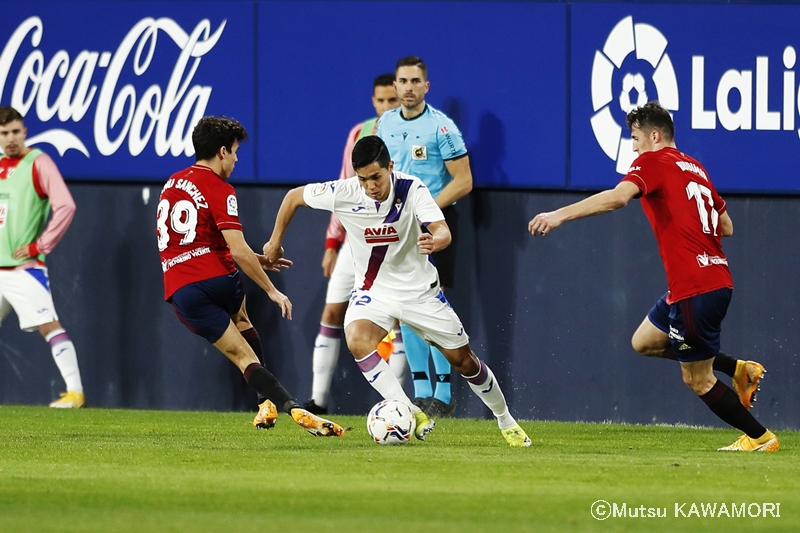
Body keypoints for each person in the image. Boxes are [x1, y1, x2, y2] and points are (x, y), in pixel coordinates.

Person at [528, 101, 778, 452]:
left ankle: (761, 438)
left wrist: (558, 215)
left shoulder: (652, 161)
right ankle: (738, 369)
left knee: (698, 379)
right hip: (715, 280)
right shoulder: (696, 168)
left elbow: (618, 198)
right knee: (645, 341)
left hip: (695, 287)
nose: (633, 146)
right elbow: (727, 226)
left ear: (655, 135)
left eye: (635, 137)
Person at [263, 135, 530, 447]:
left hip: (421, 294)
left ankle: (505, 420)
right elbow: (294, 197)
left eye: (376, 176)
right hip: (374, 292)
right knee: (358, 340)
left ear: (390, 167)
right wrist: (275, 240)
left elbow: (441, 228)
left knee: (464, 362)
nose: (370, 186)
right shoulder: (344, 192)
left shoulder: (411, 187)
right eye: (363, 179)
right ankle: (411, 410)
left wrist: (437, 240)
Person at [156, 115, 345, 437]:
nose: (237, 158)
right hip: (217, 277)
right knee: (242, 324)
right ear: (221, 152)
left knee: (243, 354)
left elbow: (193, 239)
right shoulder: (219, 186)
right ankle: (292, 407)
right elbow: (238, 250)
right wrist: (272, 290)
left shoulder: (172, 182)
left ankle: (269, 403)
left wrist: (252, 259)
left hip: (182, 286)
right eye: (234, 151)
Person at [375, 56, 473, 418]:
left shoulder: (442, 128)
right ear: (396, 85)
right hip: (398, 227)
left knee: (432, 304)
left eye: (416, 81)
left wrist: (424, 207)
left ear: (426, 87)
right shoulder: (384, 124)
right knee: (404, 306)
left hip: (434, 225)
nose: (409, 87)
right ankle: (421, 390)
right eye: (403, 81)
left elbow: (464, 180)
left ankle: (444, 392)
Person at [303, 73, 406, 415]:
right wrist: (333, 241)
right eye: (381, 100)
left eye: (392, 99)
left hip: (396, 243)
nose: (387, 106)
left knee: (402, 324)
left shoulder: (406, 136)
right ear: (373, 101)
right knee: (332, 310)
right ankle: (318, 400)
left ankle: (396, 406)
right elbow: (342, 191)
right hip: (355, 240)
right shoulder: (358, 134)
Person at [0, 106, 85, 408]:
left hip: (24, 268)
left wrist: (40, 245)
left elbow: (65, 206)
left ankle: (75, 393)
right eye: (3, 133)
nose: (10, 138)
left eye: (14, 131)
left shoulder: (38, 163)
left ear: (24, 131)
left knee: (49, 325)